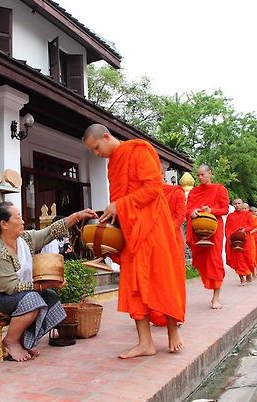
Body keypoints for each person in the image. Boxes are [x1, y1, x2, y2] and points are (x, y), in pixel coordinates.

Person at [83, 124, 186, 358]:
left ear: (107, 136)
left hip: (153, 227)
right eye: (92, 151)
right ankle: (145, 343)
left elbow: (153, 189)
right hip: (130, 230)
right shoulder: (112, 163)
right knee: (134, 285)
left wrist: (120, 205)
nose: (96, 154)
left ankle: (173, 333)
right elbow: (119, 197)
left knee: (162, 278)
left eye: (97, 147)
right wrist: (111, 216)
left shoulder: (139, 149)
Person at [0, 201, 97, 362]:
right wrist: (45, 283)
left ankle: (25, 341)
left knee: (50, 297)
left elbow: (50, 232)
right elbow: (12, 288)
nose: (23, 221)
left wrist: (76, 217)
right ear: (4, 224)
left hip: (11, 294)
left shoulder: (24, 239)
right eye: (18, 218)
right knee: (33, 300)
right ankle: (10, 341)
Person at [186, 164, 229, 309]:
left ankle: (216, 298)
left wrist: (211, 210)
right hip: (199, 228)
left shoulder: (219, 189)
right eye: (197, 175)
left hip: (214, 228)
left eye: (202, 174)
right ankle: (209, 284)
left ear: (210, 173)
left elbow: (225, 209)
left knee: (215, 260)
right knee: (203, 259)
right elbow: (188, 209)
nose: (200, 177)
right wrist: (192, 212)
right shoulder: (193, 192)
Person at [150, 181, 186, 327]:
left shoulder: (176, 192)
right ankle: (157, 314)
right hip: (153, 239)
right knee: (156, 276)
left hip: (172, 239)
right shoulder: (147, 192)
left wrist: (166, 230)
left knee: (173, 277)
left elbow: (180, 215)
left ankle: (175, 313)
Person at [225, 199, 255, 286]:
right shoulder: (230, 216)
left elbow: (252, 225)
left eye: (239, 203)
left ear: (242, 204)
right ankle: (242, 279)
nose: (237, 205)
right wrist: (229, 238)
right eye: (235, 204)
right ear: (233, 205)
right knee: (237, 260)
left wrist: (244, 229)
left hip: (246, 240)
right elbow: (227, 228)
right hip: (234, 241)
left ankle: (248, 273)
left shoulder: (248, 214)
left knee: (247, 259)